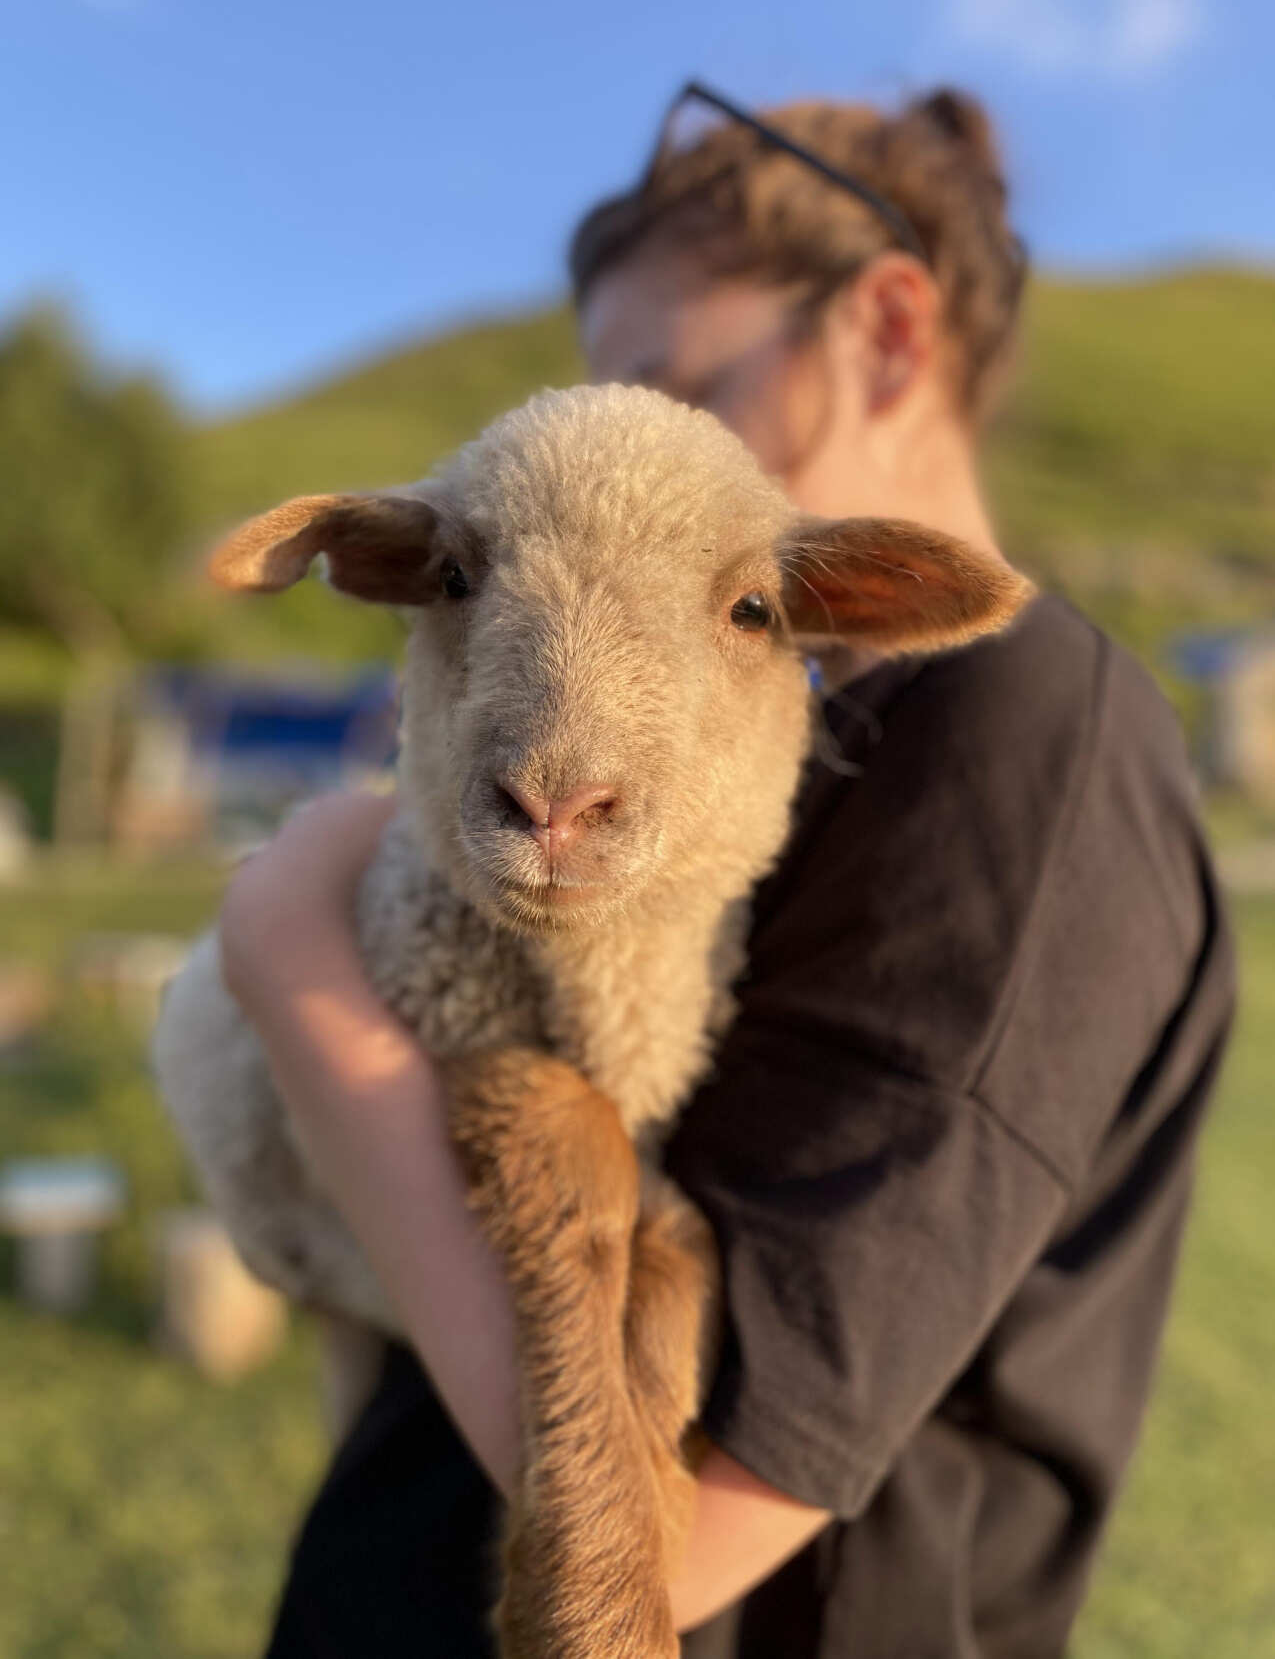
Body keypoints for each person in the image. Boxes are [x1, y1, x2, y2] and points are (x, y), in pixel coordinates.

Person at [224, 85, 1235, 1658]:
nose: (634, 441)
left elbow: (687, 1542)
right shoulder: (791, 731)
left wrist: (291, 956)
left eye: (673, 380)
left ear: (886, 331)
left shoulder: (1019, 728)